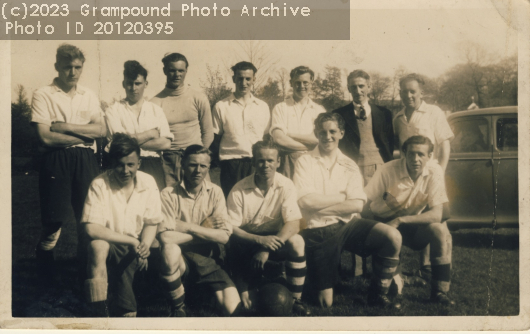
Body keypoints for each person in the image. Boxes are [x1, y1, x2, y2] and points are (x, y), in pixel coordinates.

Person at [293, 113, 402, 309]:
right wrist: (341, 198)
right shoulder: (304, 161)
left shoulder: (349, 164)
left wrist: (322, 206)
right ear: (316, 134)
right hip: (317, 229)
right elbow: (305, 202)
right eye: (322, 132)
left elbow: (357, 205)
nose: (327, 136)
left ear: (341, 133)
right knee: (324, 303)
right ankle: (312, 279)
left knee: (392, 236)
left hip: (348, 225)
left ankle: (378, 292)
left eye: (332, 131)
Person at [81, 133, 183, 317]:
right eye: (120, 165)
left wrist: (143, 244)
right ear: (112, 163)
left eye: (131, 165)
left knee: (165, 252)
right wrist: (131, 242)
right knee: (97, 246)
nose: (125, 170)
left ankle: (135, 306)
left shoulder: (148, 181)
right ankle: (99, 313)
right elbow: (92, 228)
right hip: (111, 241)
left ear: (139, 163)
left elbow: (152, 222)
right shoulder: (99, 184)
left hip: (137, 242)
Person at [31, 43, 106, 280]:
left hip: (86, 159)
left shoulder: (89, 95)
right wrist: (83, 134)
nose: (72, 72)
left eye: (77, 67)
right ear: (57, 67)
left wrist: (63, 127)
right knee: (54, 219)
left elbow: (102, 129)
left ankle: (84, 267)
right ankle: (44, 264)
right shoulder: (43, 94)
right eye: (67, 67)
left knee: (88, 215)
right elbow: (45, 136)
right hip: (56, 160)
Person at [364, 135, 455, 306]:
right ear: (403, 153)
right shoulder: (387, 169)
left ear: (430, 156)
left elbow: (437, 214)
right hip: (383, 222)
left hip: (407, 222)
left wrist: (401, 220)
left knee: (440, 230)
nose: (415, 159)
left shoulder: (434, 172)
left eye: (421, 154)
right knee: (394, 290)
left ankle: (439, 292)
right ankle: (385, 285)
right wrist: (372, 229)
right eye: (411, 153)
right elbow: (365, 200)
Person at [227, 140, 310, 315]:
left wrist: (265, 248)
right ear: (253, 162)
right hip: (245, 241)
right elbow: (231, 229)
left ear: (278, 162)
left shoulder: (286, 184)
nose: (266, 165)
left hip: (273, 239)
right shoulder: (239, 190)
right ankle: (246, 284)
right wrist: (258, 240)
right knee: (247, 304)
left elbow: (294, 222)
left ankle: (296, 299)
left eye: (270, 161)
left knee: (297, 241)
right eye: (261, 161)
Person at [156, 145, 241, 316]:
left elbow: (224, 236)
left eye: (203, 166)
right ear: (182, 164)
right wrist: (205, 231)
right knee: (170, 250)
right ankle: (178, 309)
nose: (198, 170)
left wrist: (188, 227)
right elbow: (165, 237)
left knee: (234, 310)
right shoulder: (168, 194)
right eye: (193, 165)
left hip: (209, 259)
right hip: (182, 259)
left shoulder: (215, 192)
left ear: (209, 168)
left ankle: (198, 294)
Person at [393, 73, 454, 282]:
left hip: (433, 177)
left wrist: (440, 174)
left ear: (421, 92)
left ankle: (438, 271)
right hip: (410, 179)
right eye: (404, 91)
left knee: (440, 225)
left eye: (412, 91)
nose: (408, 95)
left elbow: (445, 146)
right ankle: (419, 270)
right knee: (420, 222)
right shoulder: (398, 118)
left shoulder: (433, 112)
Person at [105, 60, 173, 190]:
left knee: (152, 206)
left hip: (153, 165)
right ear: (123, 84)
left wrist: (130, 140)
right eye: (129, 84)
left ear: (145, 84)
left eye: (138, 83)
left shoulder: (156, 110)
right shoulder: (113, 110)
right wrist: (150, 134)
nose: (134, 88)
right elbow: (120, 144)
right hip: (124, 165)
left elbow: (166, 143)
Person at [151, 53, 214, 188]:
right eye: (172, 70)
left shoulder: (198, 98)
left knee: (203, 198)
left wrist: (200, 156)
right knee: (170, 200)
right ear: (165, 71)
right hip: (168, 160)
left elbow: (208, 132)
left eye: (181, 70)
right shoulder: (155, 103)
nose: (177, 74)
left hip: (195, 157)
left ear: (186, 71)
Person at [212, 61, 271, 197]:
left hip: (256, 162)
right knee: (232, 202)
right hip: (231, 163)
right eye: (240, 78)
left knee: (256, 200)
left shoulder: (262, 106)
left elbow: (266, 137)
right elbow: (216, 138)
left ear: (254, 80)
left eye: (248, 79)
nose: (244, 83)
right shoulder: (221, 106)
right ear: (234, 79)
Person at [332, 70, 394, 186]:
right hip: (351, 167)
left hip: (379, 167)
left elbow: (389, 143)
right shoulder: (339, 114)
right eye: (353, 87)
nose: (358, 91)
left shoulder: (384, 113)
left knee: (377, 202)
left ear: (369, 87)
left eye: (361, 86)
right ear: (349, 89)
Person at [270, 66, 325, 179]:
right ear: (291, 83)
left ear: (311, 83)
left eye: (305, 82)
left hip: (313, 161)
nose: (301, 86)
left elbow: (320, 140)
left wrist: (290, 134)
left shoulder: (319, 110)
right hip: (287, 162)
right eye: (297, 82)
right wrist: (310, 145)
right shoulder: (281, 107)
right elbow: (279, 139)